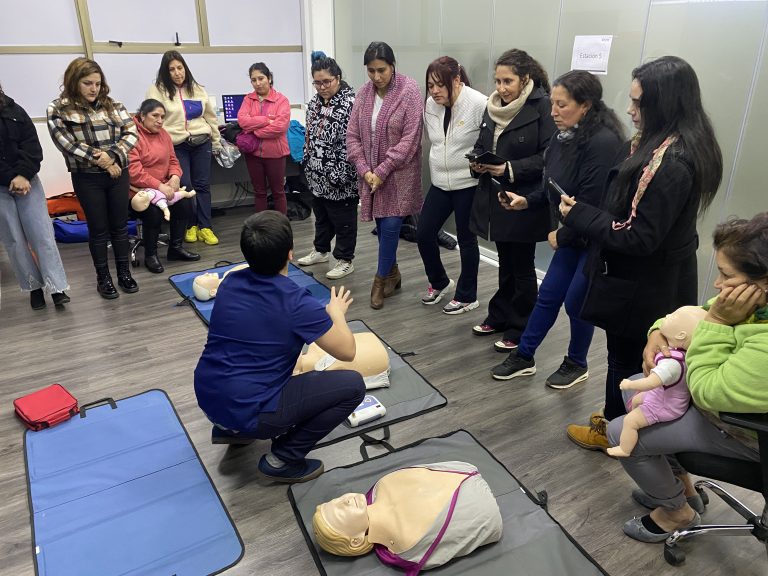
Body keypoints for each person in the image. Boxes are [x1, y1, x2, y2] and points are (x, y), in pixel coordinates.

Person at [559, 56, 723, 451]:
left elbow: (639, 237)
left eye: (638, 103)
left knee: (628, 358)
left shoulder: (672, 163)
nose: (630, 110)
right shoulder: (667, 145)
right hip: (651, 277)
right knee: (634, 357)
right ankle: (623, 420)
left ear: (664, 104)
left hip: (643, 283)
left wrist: (580, 215)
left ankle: (617, 430)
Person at [606, 212, 768, 543]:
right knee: (633, 394)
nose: (718, 285)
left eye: (726, 275)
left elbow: (708, 390)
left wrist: (721, 323)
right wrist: (657, 332)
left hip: (749, 434)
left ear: (764, 282)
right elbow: (696, 316)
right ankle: (681, 490)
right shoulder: (754, 305)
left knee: (620, 432)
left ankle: (675, 513)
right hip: (727, 405)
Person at [194, 211, 366, 484]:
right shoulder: (297, 302)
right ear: (290, 254)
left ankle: (231, 430)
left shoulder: (229, 283)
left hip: (207, 396)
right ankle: (282, 458)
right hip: (249, 410)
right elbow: (348, 351)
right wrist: (336, 313)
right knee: (353, 385)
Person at [489, 70, 624, 387]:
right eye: (553, 104)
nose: (553, 112)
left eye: (562, 105)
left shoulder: (604, 143)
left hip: (592, 239)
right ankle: (525, 355)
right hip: (573, 234)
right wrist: (527, 201)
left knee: (577, 301)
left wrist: (561, 234)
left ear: (585, 105)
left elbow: (593, 204)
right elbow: (555, 186)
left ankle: (577, 363)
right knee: (549, 296)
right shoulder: (565, 136)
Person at [468, 49, 557, 351]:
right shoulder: (492, 106)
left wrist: (510, 168)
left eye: (508, 81)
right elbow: (482, 143)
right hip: (496, 196)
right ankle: (500, 315)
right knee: (505, 262)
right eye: (498, 81)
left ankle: (520, 327)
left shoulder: (542, 106)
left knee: (521, 266)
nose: (501, 88)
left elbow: (549, 157)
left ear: (525, 79)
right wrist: (476, 162)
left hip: (525, 197)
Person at [47, 57, 139, 299]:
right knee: (98, 230)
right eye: (87, 83)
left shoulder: (114, 105)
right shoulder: (57, 109)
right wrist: (105, 161)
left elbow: (131, 133)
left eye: (97, 84)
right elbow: (67, 143)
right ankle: (104, 279)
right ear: (74, 81)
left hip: (119, 172)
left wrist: (112, 157)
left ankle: (124, 274)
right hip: (87, 177)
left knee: (120, 227)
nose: (93, 88)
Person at [346, 41, 424, 310]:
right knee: (381, 228)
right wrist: (365, 170)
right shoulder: (364, 94)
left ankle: (379, 280)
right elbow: (353, 135)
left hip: (399, 174)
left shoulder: (409, 90)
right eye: (370, 71)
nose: (377, 77)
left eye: (382, 70)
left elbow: (410, 139)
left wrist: (381, 171)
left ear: (393, 66)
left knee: (391, 227)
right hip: (370, 177)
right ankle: (393, 274)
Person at [312, 462, 503, 571]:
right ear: (355, 541)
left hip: (464, 471)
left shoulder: (383, 485)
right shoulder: (407, 544)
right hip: (481, 504)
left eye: (336, 500)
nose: (344, 500)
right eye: (339, 512)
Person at [417, 56, 487, 315]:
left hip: (468, 182)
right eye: (430, 85)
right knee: (424, 232)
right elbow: (437, 143)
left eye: (439, 85)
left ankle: (468, 296)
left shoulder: (478, 103)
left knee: (467, 240)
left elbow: (489, 141)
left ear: (456, 81)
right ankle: (440, 282)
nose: (434, 91)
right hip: (440, 181)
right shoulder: (430, 104)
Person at [0, 84, 70, 309]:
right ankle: (34, 288)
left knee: (42, 235)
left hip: (28, 181)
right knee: (14, 240)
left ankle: (56, 287)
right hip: (2, 187)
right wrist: (11, 177)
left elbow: (32, 147)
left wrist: (22, 175)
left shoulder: (15, 110)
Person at [607, 305, 706, 458]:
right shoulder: (680, 353)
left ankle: (625, 449)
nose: (667, 315)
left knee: (630, 422)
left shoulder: (672, 364)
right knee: (636, 400)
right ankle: (639, 418)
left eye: (673, 317)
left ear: (680, 335)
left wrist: (629, 385)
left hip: (666, 406)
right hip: (662, 396)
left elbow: (651, 382)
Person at [147, 50, 221, 246]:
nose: (177, 73)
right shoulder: (157, 91)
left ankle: (205, 227)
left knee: (203, 186)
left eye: (180, 68)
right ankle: (190, 225)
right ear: (165, 72)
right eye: (172, 69)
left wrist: (215, 141)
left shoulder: (197, 89)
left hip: (201, 142)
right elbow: (153, 120)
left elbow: (211, 117)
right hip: (176, 145)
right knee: (185, 186)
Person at [296, 53, 358, 280]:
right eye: (317, 83)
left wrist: (342, 172)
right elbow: (309, 135)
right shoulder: (313, 104)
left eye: (326, 82)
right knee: (321, 216)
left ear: (338, 78)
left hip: (341, 176)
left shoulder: (351, 103)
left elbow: (355, 141)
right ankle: (321, 250)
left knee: (343, 221)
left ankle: (344, 259)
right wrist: (307, 160)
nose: (322, 87)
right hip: (316, 173)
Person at [128, 99, 200, 274]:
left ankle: (175, 249)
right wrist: (160, 186)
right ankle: (151, 255)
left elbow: (174, 161)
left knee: (186, 204)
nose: (160, 120)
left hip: (164, 187)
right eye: (155, 116)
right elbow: (134, 172)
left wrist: (175, 177)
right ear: (143, 116)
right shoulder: (132, 135)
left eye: (162, 117)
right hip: (139, 192)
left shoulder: (164, 134)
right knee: (153, 213)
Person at [236, 62, 290, 215]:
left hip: (275, 154)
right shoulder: (248, 99)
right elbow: (242, 121)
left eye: (261, 78)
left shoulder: (281, 100)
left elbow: (280, 127)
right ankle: (262, 228)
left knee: (278, 192)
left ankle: (281, 227)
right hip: (253, 154)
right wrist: (266, 120)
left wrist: (255, 131)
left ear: (269, 78)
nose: (257, 83)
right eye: (254, 80)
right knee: (259, 192)